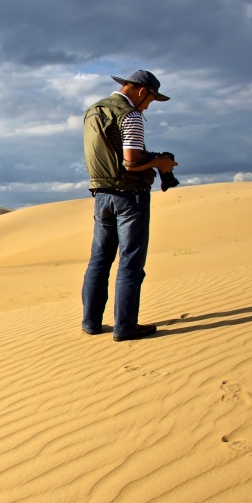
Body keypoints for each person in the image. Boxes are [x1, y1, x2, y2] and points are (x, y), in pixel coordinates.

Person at [81, 70, 178, 341]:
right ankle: (125, 326)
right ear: (141, 91)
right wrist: (159, 163)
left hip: (101, 195)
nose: (148, 107)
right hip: (129, 197)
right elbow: (131, 162)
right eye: (150, 101)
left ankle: (90, 323)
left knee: (99, 261)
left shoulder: (93, 110)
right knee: (130, 262)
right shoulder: (131, 115)